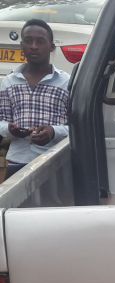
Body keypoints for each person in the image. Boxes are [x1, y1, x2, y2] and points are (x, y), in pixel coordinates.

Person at [0, 19, 69, 180]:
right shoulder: (9, 83)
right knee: (17, 205)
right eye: (28, 41)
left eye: (40, 41)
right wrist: (10, 129)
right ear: (21, 45)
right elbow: (1, 121)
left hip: (55, 161)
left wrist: (53, 132)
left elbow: (77, 127)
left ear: (51, 47)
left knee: (53, 205)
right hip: (18, 160)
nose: (34, 46)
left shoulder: (67, 83)